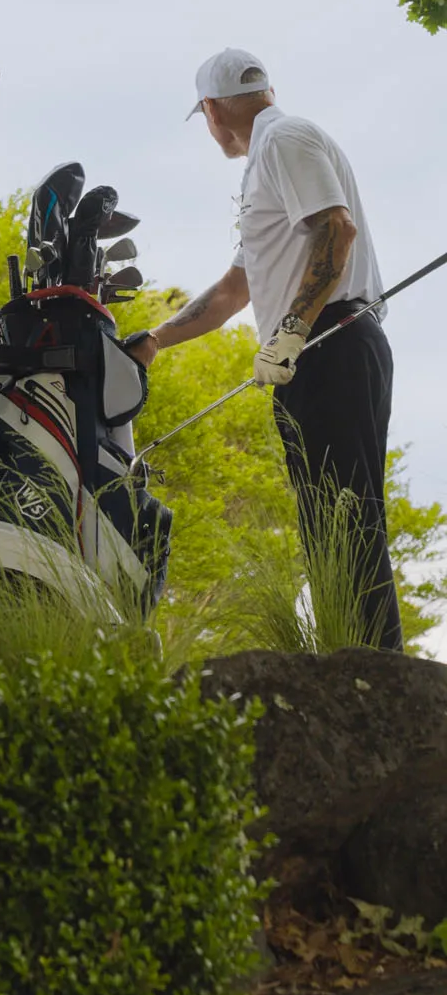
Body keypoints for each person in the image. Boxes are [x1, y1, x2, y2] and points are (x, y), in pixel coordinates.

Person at [128, 47, 403, 651]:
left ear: (211, 109)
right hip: (309, 352)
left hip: (332, 341)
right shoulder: (265, 165)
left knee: (346, 520)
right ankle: (349, 659)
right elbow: (234, 289)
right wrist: (154, 341)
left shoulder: (283, 140)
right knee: (325, 524)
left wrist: (293, 330)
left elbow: (338, 229)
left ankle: (375, 673)